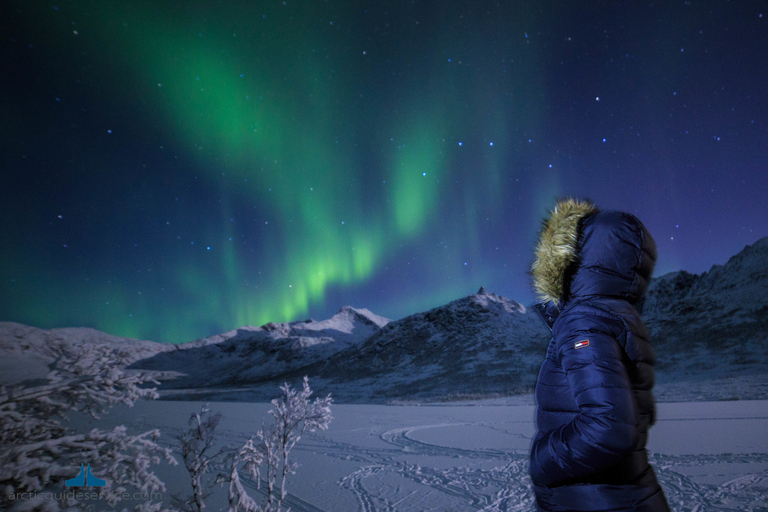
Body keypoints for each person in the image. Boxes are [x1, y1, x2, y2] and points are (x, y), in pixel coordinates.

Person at [529, 198, 670, 512]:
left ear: (575, 258)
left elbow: (610, 427)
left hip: (591, 497)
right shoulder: (621, 316)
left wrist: (542, 460)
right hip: (624, 493)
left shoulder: (584, 320)